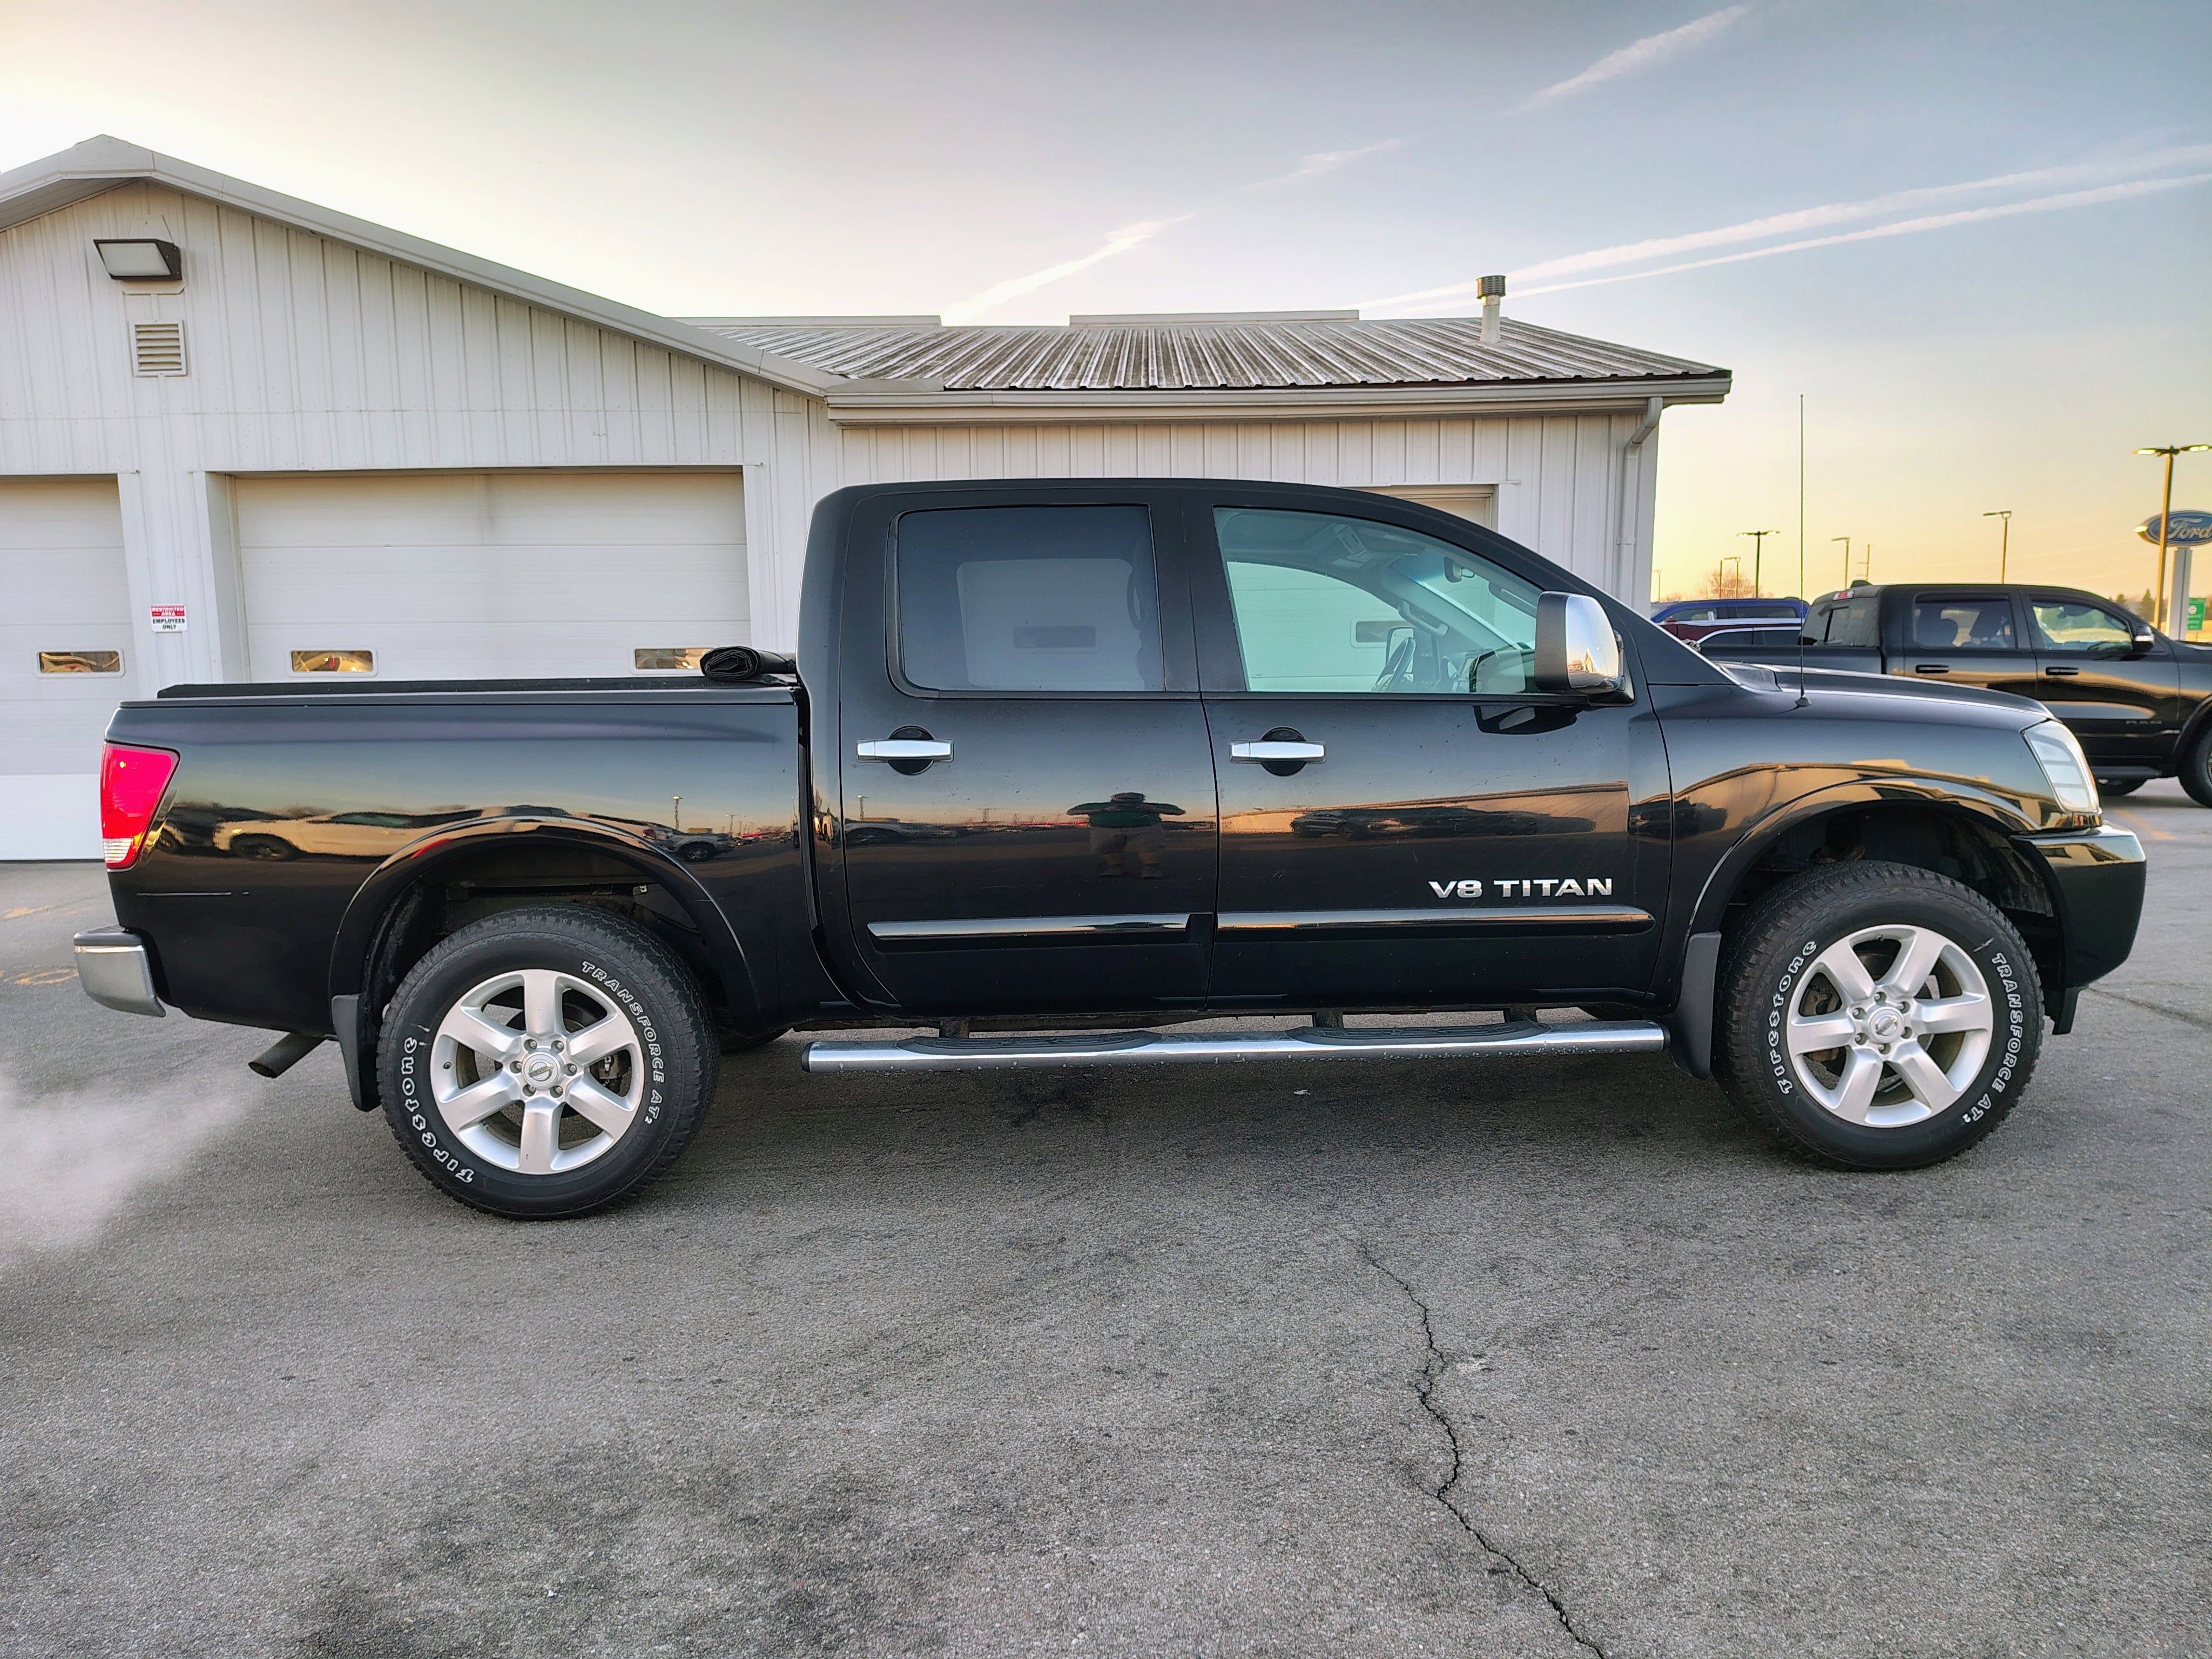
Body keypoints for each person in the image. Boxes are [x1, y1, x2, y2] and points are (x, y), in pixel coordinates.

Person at [1067, 791, 1184, 878]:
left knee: (1151, 847)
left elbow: (1179, 811)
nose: (1127, 801)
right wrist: (1104, 810)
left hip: (1146, 828)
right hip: (1106, 830)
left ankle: (1152, 868)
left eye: (1131, 799)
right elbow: (1071, 812)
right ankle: (1115, 867)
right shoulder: (1102, 806)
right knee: (1108, 848)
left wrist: (1152, 809)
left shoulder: (1150, 806)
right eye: (1124, 799)